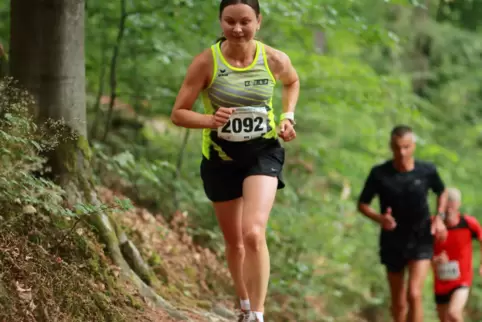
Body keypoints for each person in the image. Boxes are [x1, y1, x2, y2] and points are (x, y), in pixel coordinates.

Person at [170, 0, 300, 321]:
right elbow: (178, 114)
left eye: (245, 21)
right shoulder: (206, 63)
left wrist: (288, 117)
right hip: (220, 156)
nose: (238, 29)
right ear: (221, 22)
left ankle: (257, 314)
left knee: (254, 232)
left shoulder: (274, 59)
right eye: (230, 22)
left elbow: (292, 82)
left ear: (259, 21)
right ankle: (243, 303)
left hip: (262, 151)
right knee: (236, 243)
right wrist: (210, 120)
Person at [357, 124, 448, 322]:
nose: (402, 152)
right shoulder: (379, 173)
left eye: (406, 147)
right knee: (399, 302)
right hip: (393, 239)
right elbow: (363, 204)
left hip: (421, 237)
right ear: (391, 146)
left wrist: (440, 217)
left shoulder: (427, 170)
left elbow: (442, 191)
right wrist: (379, 218)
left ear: (413, 145)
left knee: (414, 294)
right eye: (397, 147)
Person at [432, 187, 482, 322]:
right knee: (445, 319)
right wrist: (435, 259)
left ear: (458, 205)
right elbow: (420, 253)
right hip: (441, 281)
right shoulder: (432, 226)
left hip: (461, 280)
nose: (449, 208)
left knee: (453, 313)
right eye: (445, 204)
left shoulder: (469, 224)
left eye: (452, 203)